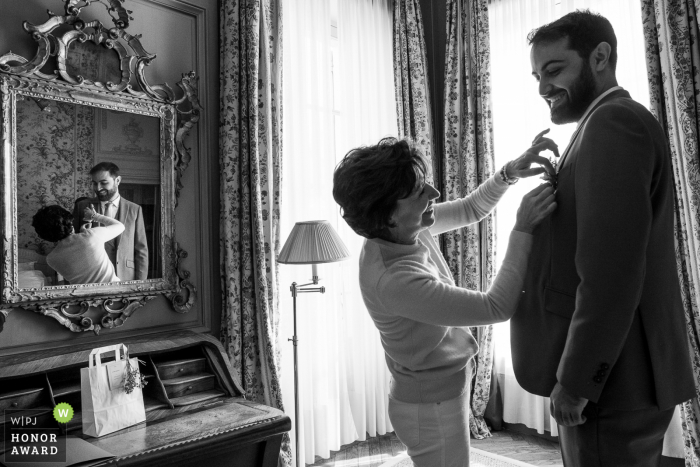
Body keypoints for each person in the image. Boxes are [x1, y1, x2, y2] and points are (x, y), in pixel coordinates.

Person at [510, 10, 695, 467]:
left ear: (600, 57)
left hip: (614, 381)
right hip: (620, 375)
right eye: (537, 75)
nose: (542, 87)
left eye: (554, 70)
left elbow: (610, 273)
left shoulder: (612, 125)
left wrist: (577, 380)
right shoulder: (600, 124)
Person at [332, 136, 557, 466]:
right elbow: (496, 306)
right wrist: (522, 228)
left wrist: (508, 173)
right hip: (429, 408)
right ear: (389, 215)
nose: (434, 194)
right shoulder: (394, 279)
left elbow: (470, 208)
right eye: (420, 191)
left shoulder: (405, 228)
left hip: (440, 392)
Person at [73, 162, 148, 281]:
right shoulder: (82, 206)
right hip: (92, 276)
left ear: (117, 180)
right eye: (94, 183)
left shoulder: (135, 209)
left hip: (125, 276)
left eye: (104, 183)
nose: (98, 188)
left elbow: (141, 249)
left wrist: (141, 283)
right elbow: (73, 245)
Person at [32, 205, 124, 284]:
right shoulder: (91, 236)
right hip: (115, 293)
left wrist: (83, 235)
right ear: (70, 222)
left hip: (87, 301)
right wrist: (95, 216)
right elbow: (120, 226)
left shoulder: (51, 259)